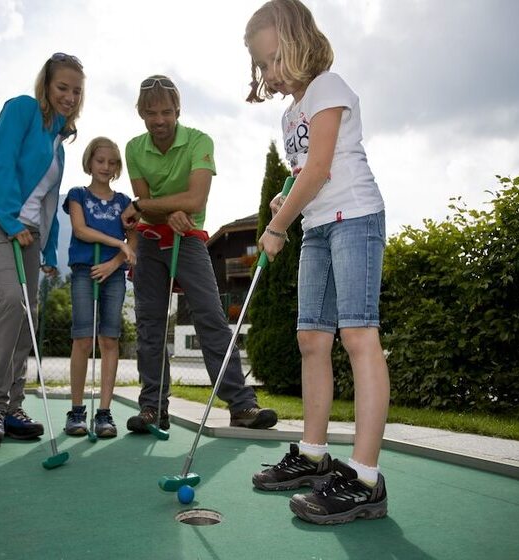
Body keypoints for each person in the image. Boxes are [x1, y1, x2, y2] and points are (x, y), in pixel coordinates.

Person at [244, 0, 390, 525]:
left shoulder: (328, 86)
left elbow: (323, 167)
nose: (268, 74)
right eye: (261, 66)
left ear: (297, 41)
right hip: (318, 228)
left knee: (358, 335)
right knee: (312, 340)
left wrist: (277, 224)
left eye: (271, 60)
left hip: (356, 218)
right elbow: (303, 175)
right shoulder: (289, 115)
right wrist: (285, 205)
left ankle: (366, 478)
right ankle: (311, 454)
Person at [120, 75, 278, 433]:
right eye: (150, 113)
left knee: (210, 316)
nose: (158, 120)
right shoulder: (134, 148)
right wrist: (160, 210)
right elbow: (145, 208)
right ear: (140, 113)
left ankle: (241, 406)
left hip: (189, 238)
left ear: (177, 110)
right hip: (148, 240)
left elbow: (193, 201)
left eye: (165, 112)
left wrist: (151, 207)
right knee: (150, 325)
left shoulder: (198, 141)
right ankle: (152, 409)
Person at [0, 52, 85, 447]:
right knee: (10, 301)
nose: (69, 96)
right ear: (46, 87)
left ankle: (13, 408)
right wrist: (11, 222)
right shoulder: (21, 109)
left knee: (27, 316)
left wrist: (49, 250)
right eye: (62, 87)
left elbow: (48, 202)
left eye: (76, 91)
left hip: (28, 233)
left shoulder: (59, 146)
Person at [62, 137, 137, 438]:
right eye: (100, 161)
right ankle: (77, 411)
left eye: (112, 162)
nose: (105, 167)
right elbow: (81, 230)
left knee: (109, 339)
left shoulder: (124, 203)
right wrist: (116, 241)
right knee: (82, 339)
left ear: (118, 167)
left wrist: (115, 261)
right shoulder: (77, 194)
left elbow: (135, 241)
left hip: (113, 274)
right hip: (84, 271)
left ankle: (104, 413)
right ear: (90, 162)